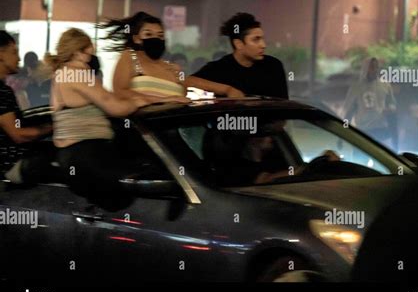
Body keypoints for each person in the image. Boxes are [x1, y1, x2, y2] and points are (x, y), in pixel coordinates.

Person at [45, 28, 165, 210]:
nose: (92, 60)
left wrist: (159, 98)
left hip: (73, 156)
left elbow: (107, 100)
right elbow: (115, 106)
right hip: (87, 156)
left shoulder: (61, 74)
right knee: (126, 203)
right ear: (78, 52)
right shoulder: (78, 74)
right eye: (90, 54)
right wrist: (139, 101)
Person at [99, 12, 243, 100]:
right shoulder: (129, 57)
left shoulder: (174, 69)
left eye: (160, 35)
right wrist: (163, 100)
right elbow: (120, 93)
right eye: (148, 34)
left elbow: (183, 97)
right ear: (137, 38)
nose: (155, 39)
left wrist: (227, 90)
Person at [191, 12, 289, 99]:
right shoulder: (220, 68)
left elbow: (284, 107)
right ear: (239, 44)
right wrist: (227, 90)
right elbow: (188, 82)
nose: (263, 45)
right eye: (256, 39)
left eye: (263, 39)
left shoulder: (273, 66)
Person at [0, 31, 52, 177]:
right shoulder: (2, 91)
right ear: (1, 54)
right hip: (11, 165)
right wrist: (51, 128)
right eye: (14, 52)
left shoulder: (5, 88)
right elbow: (18, 135)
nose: (18, 58)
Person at [342, 57, 397, 148]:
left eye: (376, 67)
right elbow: (348, 112)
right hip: (363, 131)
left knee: (384, 160)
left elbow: (392, 103)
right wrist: (343, 133)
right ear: (365, 68)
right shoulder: (356, 87)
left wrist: (390, 109)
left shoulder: (385, 85)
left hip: (381, 129)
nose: (374, 70)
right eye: (371, 67)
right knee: (360, 160)